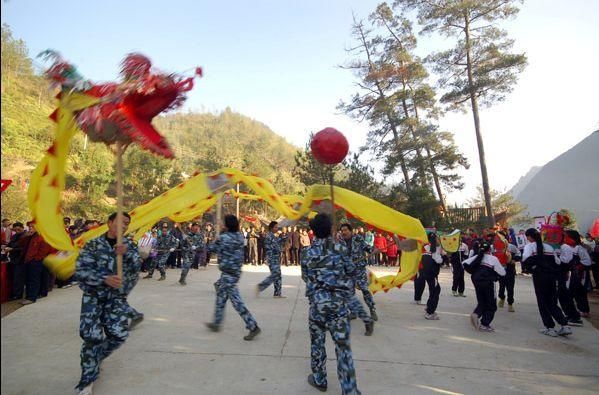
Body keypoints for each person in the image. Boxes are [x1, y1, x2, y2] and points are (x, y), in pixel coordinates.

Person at [74, 212, 141, 395]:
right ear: (109, 222)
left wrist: (126, 254)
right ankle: (87, 380)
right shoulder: (93, 245)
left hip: (116, 299)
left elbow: (137, 266)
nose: (124, 226)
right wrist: (104, 279)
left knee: (119, 336)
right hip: (93, 298)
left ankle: (95, 359)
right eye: (121, 222)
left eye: (127, 223)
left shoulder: (129, 244)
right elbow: (80, 271)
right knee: (92, 337)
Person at [301, 214, 361, 395]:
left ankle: (319, 379)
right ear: (330, 229)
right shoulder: (341, 248)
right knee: (343, 349)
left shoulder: (307, 252)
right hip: (338, 307)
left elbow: (306, 277)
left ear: (313, 231)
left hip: (317, 307)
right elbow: (351, 271)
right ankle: (349, 390)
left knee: (317, 343)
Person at [205, 215, 261, 340]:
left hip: (228, 274)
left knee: (236, 301)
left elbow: (211, 248)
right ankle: (216, 323)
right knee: (221, 297)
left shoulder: (224, 237)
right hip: (235, 272)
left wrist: (217, 234)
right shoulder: (239, 236)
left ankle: (253, 326)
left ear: (227, 225)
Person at [522, 228, 572, 337]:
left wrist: (533, 267)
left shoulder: (529, 247)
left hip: (539, 277)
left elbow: (525, 259)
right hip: (552, 276)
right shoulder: (549, 247)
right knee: (552, 301)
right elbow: (558, 262)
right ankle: (564, 325)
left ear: (529, 237)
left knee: (542, 302)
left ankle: (549, 327)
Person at [339, 223, 377, 326]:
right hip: (347, 272)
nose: (344, 232)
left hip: (359, 270)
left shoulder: (358, 239)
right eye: (342, 230)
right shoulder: (340, 242)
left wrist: (373, 250)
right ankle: (353, 312)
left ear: (351, 231)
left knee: (365, 290)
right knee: (350, 293)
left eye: (346, 230)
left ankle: (372, 309)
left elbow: (367, 248)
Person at [463, 241, 505, 332]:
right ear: (490, 249)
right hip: (488, 282)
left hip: (476, 281)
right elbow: (502, 273)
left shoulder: (476, 257)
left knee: (482, 301)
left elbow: (464, 263)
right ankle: (485, 324)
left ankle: (476, 313)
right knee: (491, 305)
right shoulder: (493, 259)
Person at [20, 221, 56, 305]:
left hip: (35, 261)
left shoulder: (42, 236)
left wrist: (36, 259)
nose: (30, 228)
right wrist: (25, 236)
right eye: (29, 227)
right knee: (32, 279)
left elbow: (44, 250)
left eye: (32, 227)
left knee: (33, 279)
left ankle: (31, 297)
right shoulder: (30, 236)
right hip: (29, 260)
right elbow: (21, 244)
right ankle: (36, 294)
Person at [557, 232, 584, 326]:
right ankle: (571, 315)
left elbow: (566, 261)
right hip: (562, 274)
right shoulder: (560, 246)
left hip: (566, 274)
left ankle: (574, 317)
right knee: (562, 295)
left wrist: (556, 258)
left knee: (565, 295)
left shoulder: (565, 247)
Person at [563, 230, 592, 318]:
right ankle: (572, 310)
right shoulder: (566, 247)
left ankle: (584, 310)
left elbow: (587, 261)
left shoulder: (580, 249)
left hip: (579, 274)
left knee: (580, 292)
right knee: (570, 292)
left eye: (566, 237)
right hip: (570, 274)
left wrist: (578, 266)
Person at [416, 232, 443, 319]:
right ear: (435, 239)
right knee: (436, 290)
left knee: (432, 290)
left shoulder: (425, 246)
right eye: (438, 238)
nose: (439, 239)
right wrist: (443, 257)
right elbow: (438, 260)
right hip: (432, 273)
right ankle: (430, 313)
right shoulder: (434, 248)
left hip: (425, 272)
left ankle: (428, 307)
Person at [257, 221, 287, 297]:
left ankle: (277, 293)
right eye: (275, 227)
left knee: (278, 275)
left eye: (277, 227)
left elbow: (276, 243)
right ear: (271, 228)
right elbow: (272, 247)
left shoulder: (273, 236)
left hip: (275, 258)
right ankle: (261, 286)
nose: (277, 228)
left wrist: (282, 239)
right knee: (275, 275)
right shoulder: (269, 236)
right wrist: (280, 249)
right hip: (272, 258)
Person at [497, 231, 520, 312]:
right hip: (500, 269)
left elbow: (519, 254)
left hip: (510, 270)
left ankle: (510, 304)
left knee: (510, 288)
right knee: (501, 287)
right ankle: (502, 298)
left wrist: (513, 259)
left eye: (501, 236)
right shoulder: (495, 246)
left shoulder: (512, 247)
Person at [5, 222, 26, 300]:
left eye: (18, 229)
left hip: (21, 260)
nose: (17, 230)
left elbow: (24, 249)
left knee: (18, 278)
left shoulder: (25, 236)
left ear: (22, 228)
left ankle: (18, 295)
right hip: (13, 259)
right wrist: (6, 247)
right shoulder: (14, 236)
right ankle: (14, 293)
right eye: (15, 229)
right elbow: (9, 244)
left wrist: (12, 249)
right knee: (13, 277)